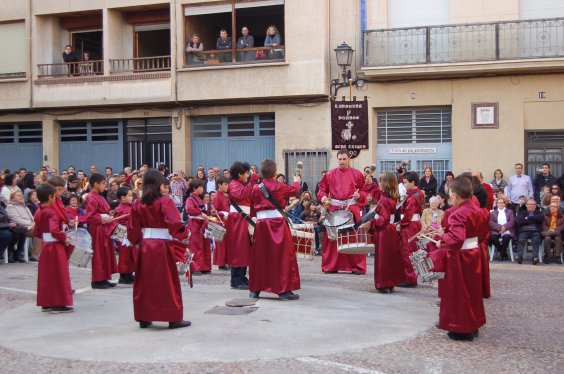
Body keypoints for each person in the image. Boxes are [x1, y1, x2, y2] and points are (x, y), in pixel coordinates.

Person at [127, 170, 191, 329]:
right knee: (167, 282)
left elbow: (133, 228)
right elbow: (174, 223)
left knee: (145, 281)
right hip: (163, 245)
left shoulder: (137, 203)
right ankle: (172, 317)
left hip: (146, 245)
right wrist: (184, 234)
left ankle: (144, 316)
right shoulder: (165, 202)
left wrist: (136, 241)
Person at [435, 176, 486, 341]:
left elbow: (456, 238)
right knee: (473, 291)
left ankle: (461, 328)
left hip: (461, 257)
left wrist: (442, 241)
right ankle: (474, 323)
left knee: (459, 292)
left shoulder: (458, 214)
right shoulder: (480, 211)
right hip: (474, 253)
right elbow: (484, 234)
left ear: (455, 196)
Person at [249, 159, 301, 300]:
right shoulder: (279, 186)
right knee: (281, 256)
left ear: (261, 172)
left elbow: (252, 207)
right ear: (275, 172)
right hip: (277, 223)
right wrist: (296, 180)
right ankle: (283, 290)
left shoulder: (256, 187)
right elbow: (294, 191)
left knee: (260, 256)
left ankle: (255, 289)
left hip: (261, 224)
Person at [316, 149, 367, 274]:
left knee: (353, 238)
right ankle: (330, 266)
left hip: (352, 209)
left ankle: (357, 267)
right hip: (335, 208)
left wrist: (359, 195)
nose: (342, 161)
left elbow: (365, 191)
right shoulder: (329, 174)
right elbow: (321, 190)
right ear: (337, 159)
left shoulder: (357, 174)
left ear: (349, 159)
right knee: (332, 238)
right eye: (340, 159)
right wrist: (323, 197)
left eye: (344, 159)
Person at [34, 183, 74, 313]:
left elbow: (37, 231)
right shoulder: (51, 212)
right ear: (51, 197)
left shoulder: (39, 210)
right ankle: (58, 303)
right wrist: (65, 238)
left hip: (46, 245)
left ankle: (46, 302)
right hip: (55, 246)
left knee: (47, 274)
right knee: (59, 274)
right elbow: (54, 231)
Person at [367, 172, 405, 293]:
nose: (378, 184)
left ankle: (382, 284)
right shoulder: (391, 197)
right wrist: (371, 184)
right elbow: (378, 195)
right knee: (390, 258)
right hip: (391, 230)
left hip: (384, 232)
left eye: (380, 182)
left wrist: (371, 223)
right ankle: (390, 282)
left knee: (382, 258)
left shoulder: (385, 201)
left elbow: (383, 220)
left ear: (385, 184)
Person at [226, 161, 258, 290]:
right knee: (239, 249)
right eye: (246, 172)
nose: (248, 174)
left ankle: (242, 277)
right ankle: (236, 279)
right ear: (239, 174)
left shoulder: (238, 184)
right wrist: (252, 182)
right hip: (238, 219)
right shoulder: (234, 185)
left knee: (244, 248)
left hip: (243, 218)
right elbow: (242, 195)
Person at [86, 173, 118, 289]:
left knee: (105, 253)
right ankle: (97, 280)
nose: (105, 186)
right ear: (96, 184)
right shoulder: (91, 197)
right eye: (103, 183)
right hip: (98, 229)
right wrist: (103, 218)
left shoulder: (99, 196)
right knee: (99, 254)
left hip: (104, 228)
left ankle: (104, 277)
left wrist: (109, 214)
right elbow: (90, 216)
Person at [398, 171, 424, 287]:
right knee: (412, 250)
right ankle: (411, 276)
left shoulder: (413, 197)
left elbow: (408, 215)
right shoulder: (417, 193)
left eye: (405, 182)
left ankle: (410, 278)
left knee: (407, 251)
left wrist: (400, 224)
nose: (404, 185)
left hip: (410, 225)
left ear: (412, 183)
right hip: (415, 224)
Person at [185, 179, 211, 275]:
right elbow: (189, 210)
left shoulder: (198, 199)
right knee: (195, 246)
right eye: (200, 187)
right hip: (195, 223)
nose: (202, 189)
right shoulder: (190, 199)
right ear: (194, 188)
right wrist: (200, 213)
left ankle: (204, 266)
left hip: (201, 223)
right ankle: (195, 267)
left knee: (204, 245)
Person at [111, 187, 135, 284]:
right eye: (129, 196)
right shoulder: (120, 209)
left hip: (130, 235)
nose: (132, 197)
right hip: (123, 235)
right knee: (124, 256)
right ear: (122, 198)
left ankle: (129, 273)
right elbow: (116, 222)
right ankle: (123, 276)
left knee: (130, 255)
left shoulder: (130, 207)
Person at [515, 198, 544, 265]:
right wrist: (534, 219)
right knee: (521, 240)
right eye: (529, 204)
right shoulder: (523, 212)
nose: (531, 205)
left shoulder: (539, 212)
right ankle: (519, 257)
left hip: (535, 230)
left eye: (533, 204)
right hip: (524, 230)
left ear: (535, 205)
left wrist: (528, 218)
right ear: (527, 205)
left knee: (536, 241)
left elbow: (540, 219)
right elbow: (519, 221)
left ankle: (535, 258)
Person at [211, 176, 230, 270]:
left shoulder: (222, 195)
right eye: (225, 184)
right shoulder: (217, 196)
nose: (227, 186)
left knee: (224, 244)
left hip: (224, 222)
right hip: (219, 223)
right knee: (220, 244)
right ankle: (221, 263)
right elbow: (213, 212)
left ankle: (224, 262)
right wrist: (222, 214)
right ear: (219, 185)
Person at [489, 197, 516, 261]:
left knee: (506, 237)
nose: (501, 204)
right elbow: (491, 222)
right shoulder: (493, 213)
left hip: (507, 230)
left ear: (505, 204)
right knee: (492, 237)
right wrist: (499, 228)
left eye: (502, 202)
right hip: (496, 230)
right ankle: (502, 252)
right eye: (499, 203)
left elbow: (512, 222)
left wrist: (504, 228)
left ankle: (501, 254)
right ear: (497, 204)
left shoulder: (510, 212)